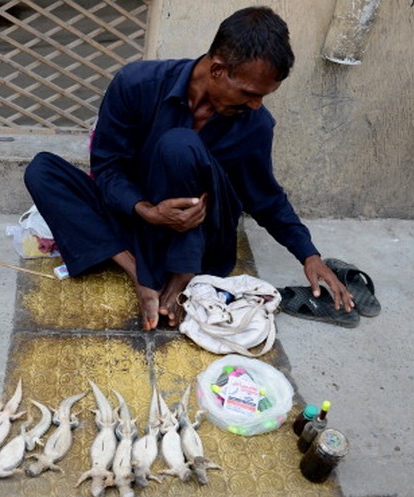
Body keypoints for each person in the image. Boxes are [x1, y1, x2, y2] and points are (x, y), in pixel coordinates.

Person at [24, 6, 354, 331]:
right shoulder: (137, 84)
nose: (255, 105)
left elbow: (265, 196)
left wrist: (308, 255)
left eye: (263, 97)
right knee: (42, 171)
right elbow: (108, 169)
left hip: (202, 242)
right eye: (249, 94)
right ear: (217, 70)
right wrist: (147, 211)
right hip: (142, 220)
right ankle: (140, 273)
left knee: (179, 145)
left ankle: (182, 275)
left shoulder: (254, 123)